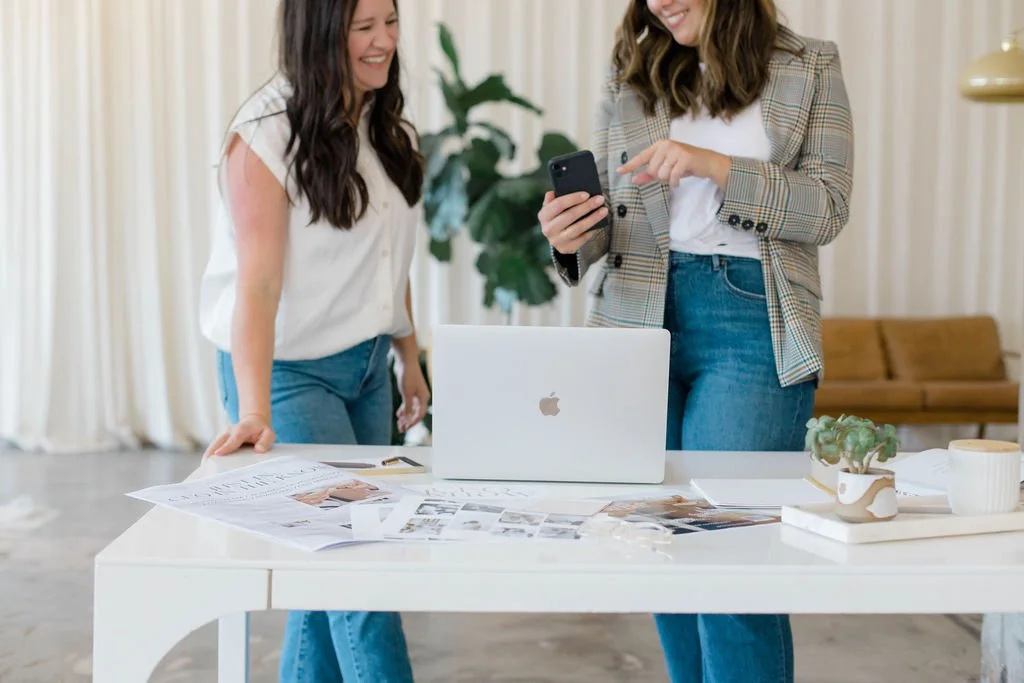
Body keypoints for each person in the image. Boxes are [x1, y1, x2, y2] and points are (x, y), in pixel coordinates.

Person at [538, 0, 854, 682]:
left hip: (750, 318)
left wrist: (713, 164)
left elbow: (827, 207)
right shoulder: (633, 70)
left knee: (732, 559)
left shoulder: (810, 66)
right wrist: (569, 237)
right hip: (635, 317)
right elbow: (611, 223)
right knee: (662, 552)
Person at [196, 0, 428, 681]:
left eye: (390, 21)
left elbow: (387, 261)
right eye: (363, 28)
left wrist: (409, 358)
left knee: (326, 586)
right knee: (358, 571)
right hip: (289, 373)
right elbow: (258, 286)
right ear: (320, 33)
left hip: (365, 371)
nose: (384, 41)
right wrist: (256, 411)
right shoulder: (264, 137)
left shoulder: (385, 128)